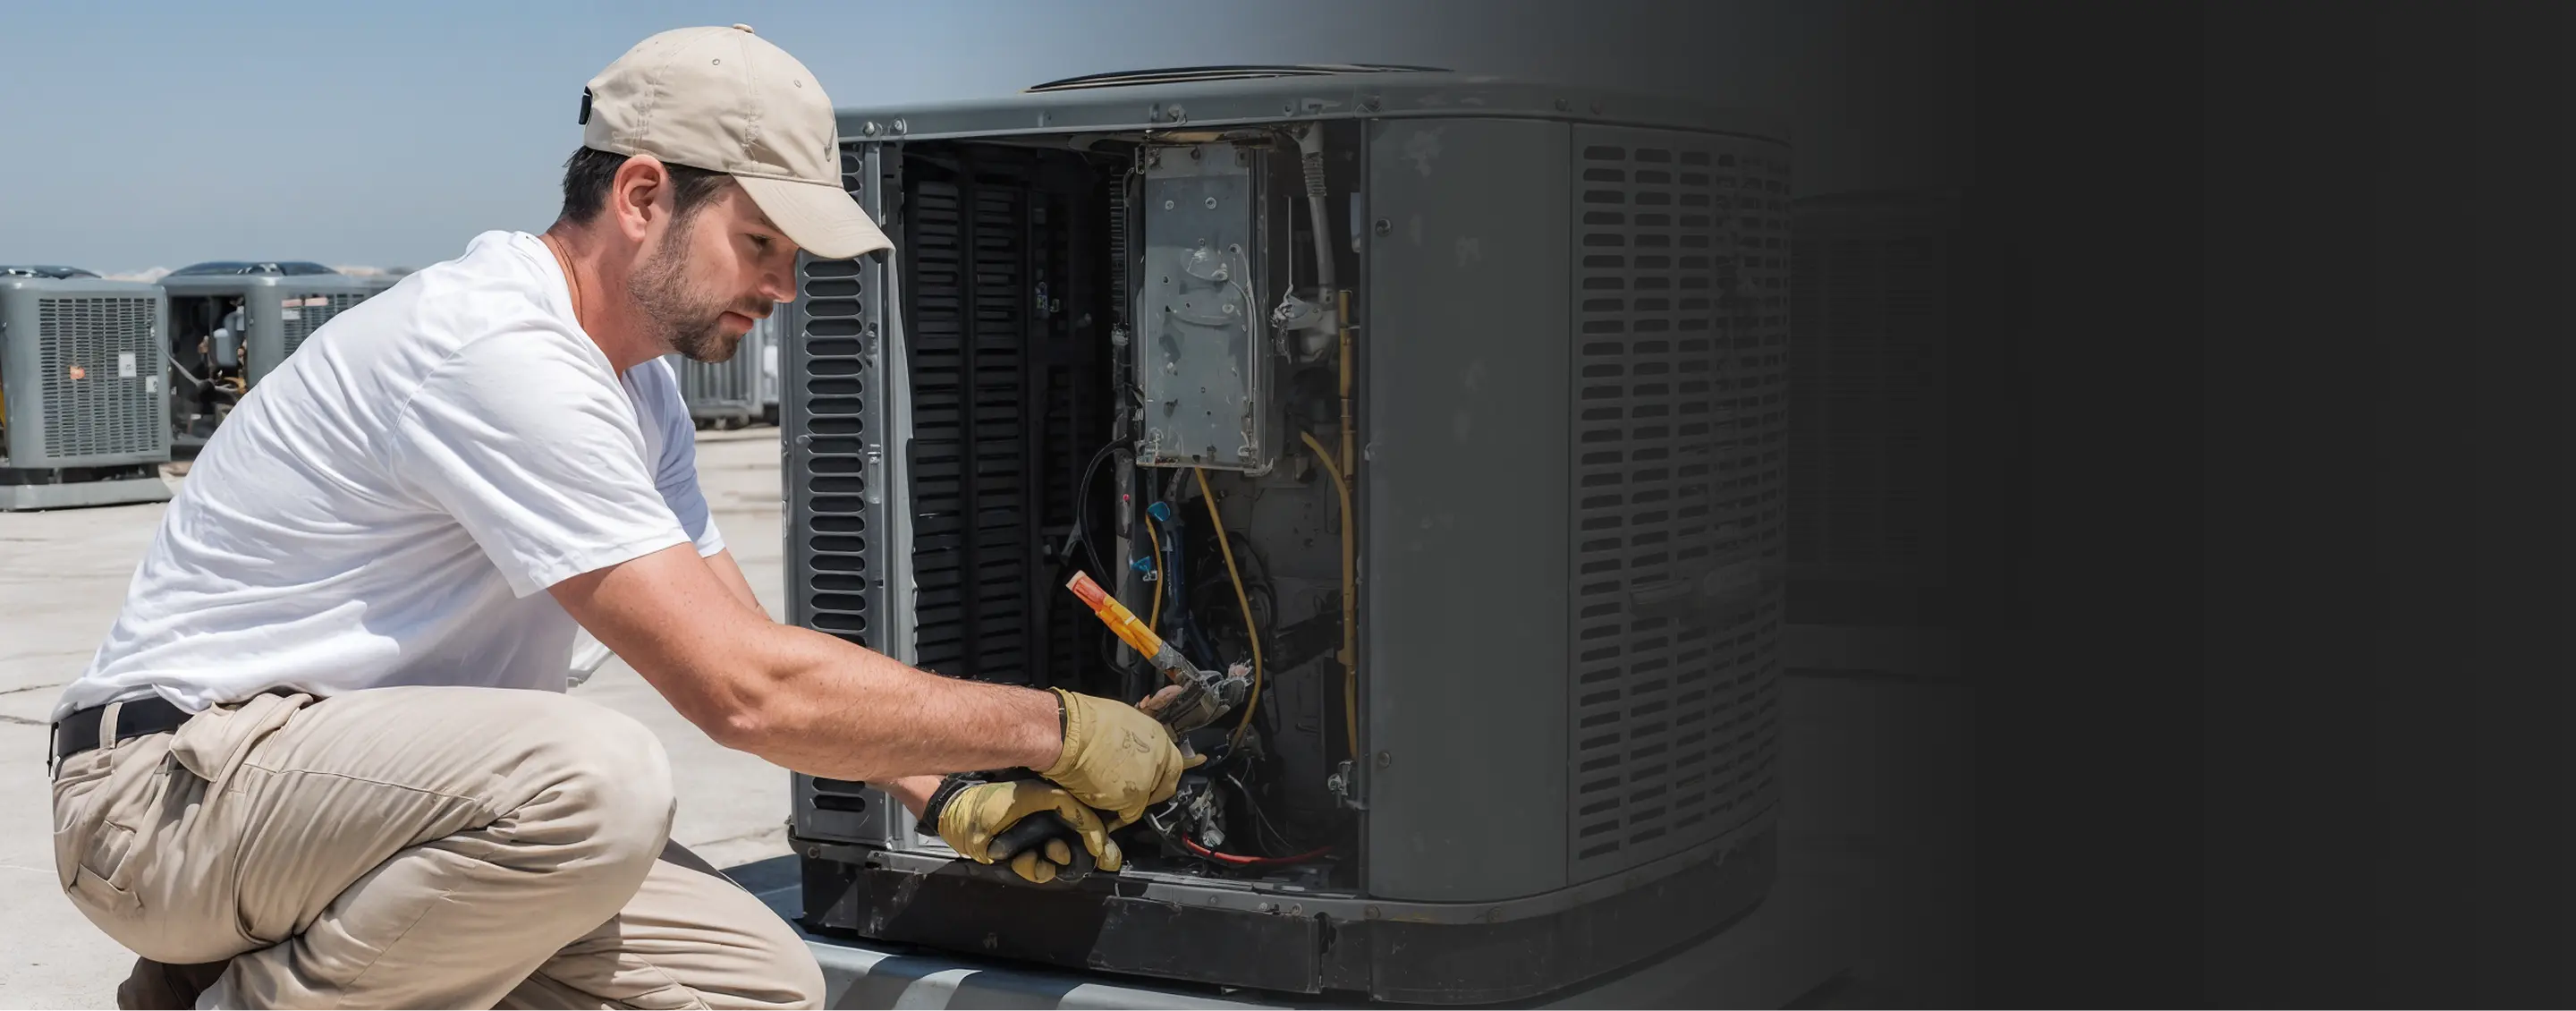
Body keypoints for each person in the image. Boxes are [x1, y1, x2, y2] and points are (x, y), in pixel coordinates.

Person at [47, 25, 1184, 1011]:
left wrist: (943, 789)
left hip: (350, 825)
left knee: (755, 984)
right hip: (164, 803)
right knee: (595, 783)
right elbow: (741, 692)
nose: (785, 285)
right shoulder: (496, 349)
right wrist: (1056, 728)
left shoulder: (633, 386)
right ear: (643, 196)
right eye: (760, 243)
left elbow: (755, 645)